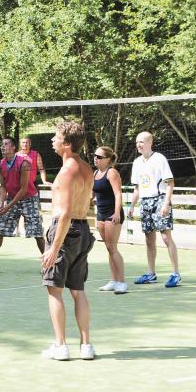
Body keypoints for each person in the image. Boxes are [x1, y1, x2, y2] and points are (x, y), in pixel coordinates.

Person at [40, 121, 96, 362]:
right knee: (78, 290)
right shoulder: (87, 168)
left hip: (66, 231)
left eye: (56, 137)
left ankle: (60, 346)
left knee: (54, 290)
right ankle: (86, 346)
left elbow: (64, 214)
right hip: (83, 229)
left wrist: (54, 248)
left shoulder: (66, 172)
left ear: (67, 144)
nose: (52, 140)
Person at [127, 131, 181, 287]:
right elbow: (137, 188)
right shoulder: (137, 162)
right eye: (137, 142)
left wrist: (166, 203)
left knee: (165, 237)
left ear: (150, 143)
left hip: (160, 199)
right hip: (145, 202)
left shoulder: (159, 159)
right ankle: (150, 273)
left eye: (142, 142)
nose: (139, 145)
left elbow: (170, 183)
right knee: (149, 240)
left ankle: (175, 274)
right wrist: (131, 206)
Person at [0, 137, 36, 274]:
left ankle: (50, 265)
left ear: (13, 147)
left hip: (29, 199)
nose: (3, 147)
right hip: (12, 198)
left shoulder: (24, 163)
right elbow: (3, 185)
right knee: (0, 230)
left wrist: (8, 206)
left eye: (6, 144)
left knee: (37, 232)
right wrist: (1, 203)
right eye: (2, 145)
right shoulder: (1, 164)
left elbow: (24, 189)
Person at [93, 146, 127, 294]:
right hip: (100, 214)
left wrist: (117, 212)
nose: (96, 159)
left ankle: (122, 282)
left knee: (112, 248)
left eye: (99, 157)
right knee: (109, 248)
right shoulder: (95, 173)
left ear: (108, 159)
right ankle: (113, 281)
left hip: (112, 214)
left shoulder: (112, 172)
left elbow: (118, 194)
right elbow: (92, 195)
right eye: (95, 156)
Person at [18, 137, 50, 252]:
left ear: (30, 144)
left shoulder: (35, 154)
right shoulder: (16, 156)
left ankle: (35, 232)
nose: (25, 144)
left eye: (27, 142)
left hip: (31, 189)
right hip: (18, 189)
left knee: (34, 214)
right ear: (20, 144)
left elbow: (41, 169)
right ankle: (18, 230)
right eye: (23, 142)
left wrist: (44, 180)